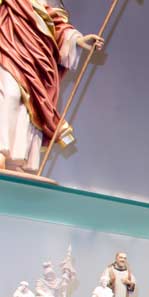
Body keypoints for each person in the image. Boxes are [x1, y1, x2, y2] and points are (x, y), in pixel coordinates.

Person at [0, 0, 104, 175]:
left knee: (30, 104)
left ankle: (16, 157)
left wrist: (77, 40)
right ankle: (1, 149)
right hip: (6, 43)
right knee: (10, 93)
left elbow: (56, 23)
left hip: (37, 57)